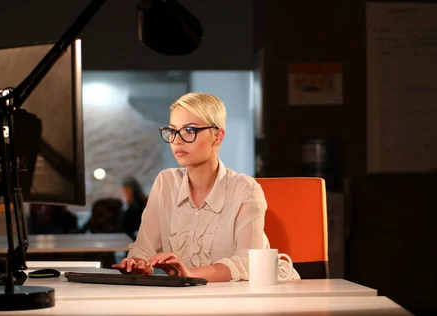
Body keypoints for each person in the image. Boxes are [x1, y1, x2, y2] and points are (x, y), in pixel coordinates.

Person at [113, 92, 299, 282]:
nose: (177, 140)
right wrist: (138, 262)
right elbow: (144, 247)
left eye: (190, 130)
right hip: (185, 300)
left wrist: (191, 274)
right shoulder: (166, 182)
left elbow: (248, 261)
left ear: (218, 136)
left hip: (238, 300)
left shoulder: (246, 189)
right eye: (172, 131)